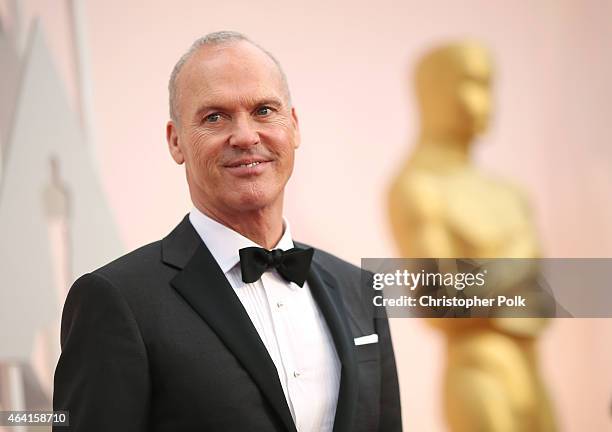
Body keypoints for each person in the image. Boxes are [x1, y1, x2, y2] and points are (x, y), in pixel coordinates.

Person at [53, 31, 402, 432]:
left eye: (264, 110)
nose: (246, 136)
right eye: (214, 117)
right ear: (176, 141)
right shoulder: (116, 300)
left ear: (294, 126)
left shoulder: (359, 289)